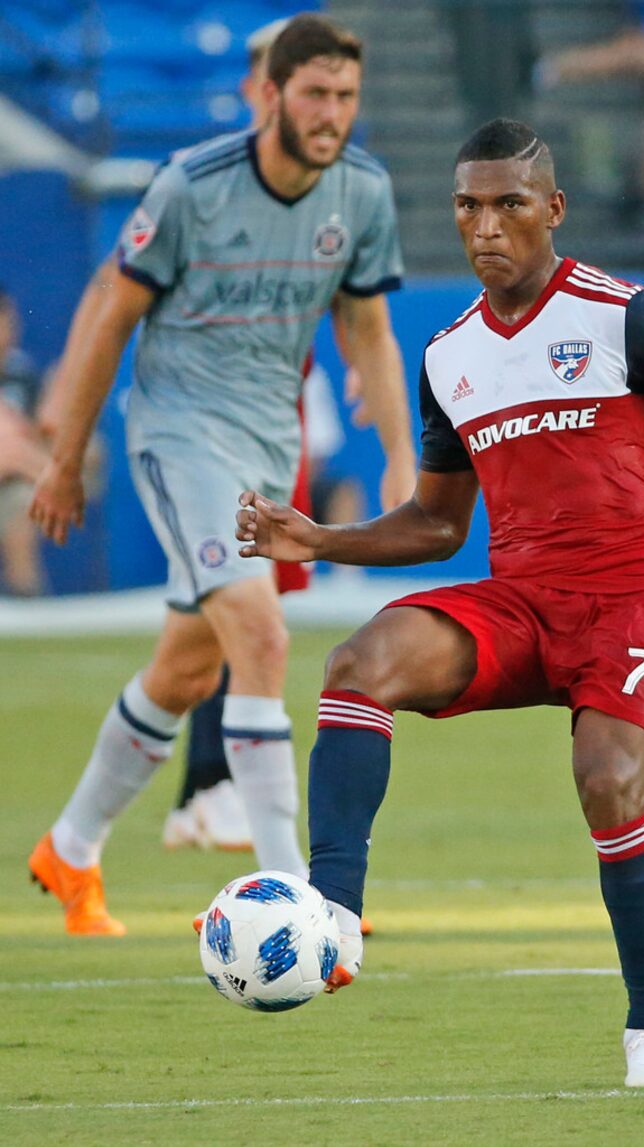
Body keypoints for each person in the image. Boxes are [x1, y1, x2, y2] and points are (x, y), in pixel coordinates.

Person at [232, 118, 644, 1087]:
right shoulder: (449, 355)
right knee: (358, 665)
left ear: (552, 210)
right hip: (519, 601)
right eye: (466, 206)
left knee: (607, 780)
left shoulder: (621, 314)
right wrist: (319, 538)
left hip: (628, 599)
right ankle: (329, 914)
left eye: (507, 204)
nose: (484, 226)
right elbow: (438, 526)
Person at [27, 12, 416, 937]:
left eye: (346, 96)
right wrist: (67, 459)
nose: (332, 113)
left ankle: (71, 848)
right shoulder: (192, 185)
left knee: (188, 662)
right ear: (271, 94)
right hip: (178, 433)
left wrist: (403, 456)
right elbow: (111, 314)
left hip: (264, 446)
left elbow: (368, 328)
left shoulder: (361, 189)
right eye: (316, 93)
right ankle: (300, 897)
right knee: (262, 632)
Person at [163, 16, 370, 856]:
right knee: (236, 614)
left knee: (241, 613)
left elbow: (345, 291)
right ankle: (210, 787)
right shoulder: (216, 185)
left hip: (275, 420)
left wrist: (359, 356)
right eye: (294, 84)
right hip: (219, 425)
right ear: (264, 88)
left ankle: (201, 791)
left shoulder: (321, 188)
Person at [0, 289, 49, 596]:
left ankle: (27, 599)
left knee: (22, 505)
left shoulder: (22, 373)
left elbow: (34, 440)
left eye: (9, 320)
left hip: (12, 483)